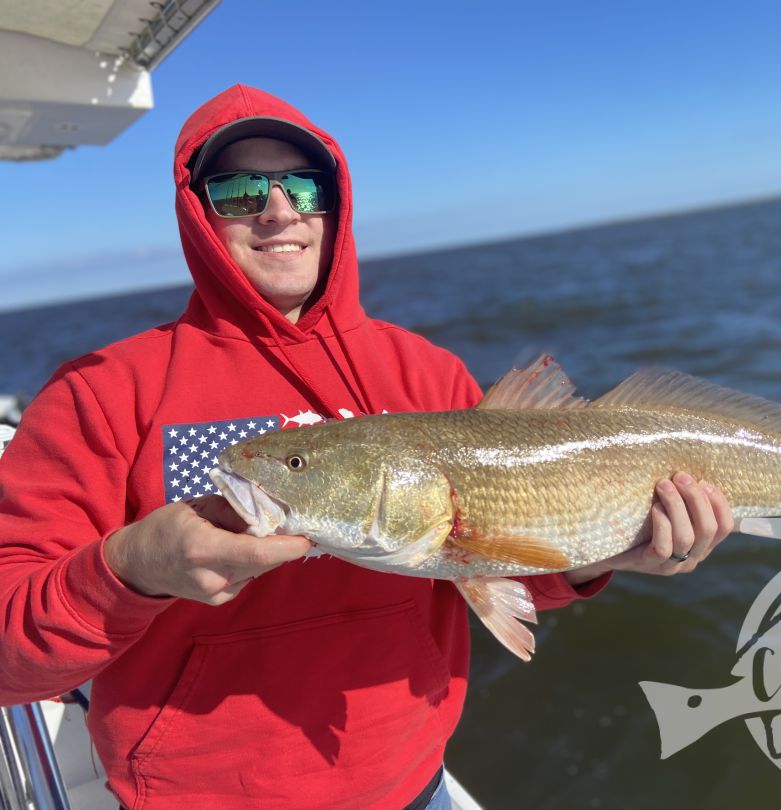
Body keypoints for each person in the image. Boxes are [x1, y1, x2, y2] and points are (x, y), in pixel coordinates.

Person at [0, 85, 733, 808]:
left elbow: (493, 556)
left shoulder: (427, 373)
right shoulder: (101, 391)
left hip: (415, 788)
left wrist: (605, 553)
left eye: (302, 186)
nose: (279, 210)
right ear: (197, 212)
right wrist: (130, 569)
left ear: (334, 201)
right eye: (241, 189)